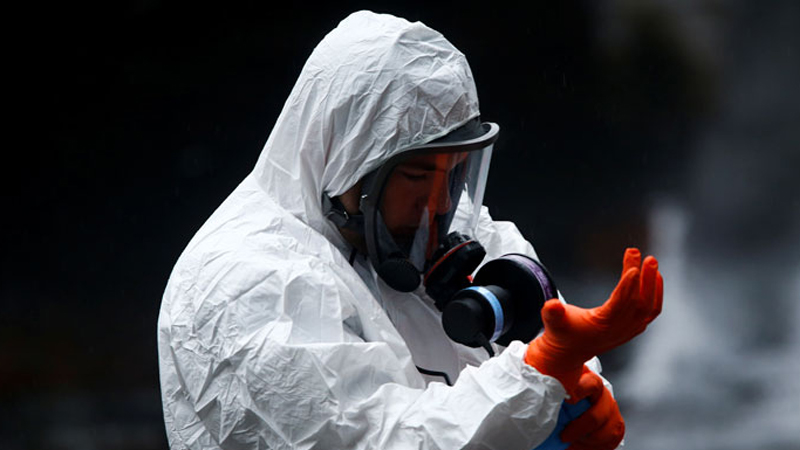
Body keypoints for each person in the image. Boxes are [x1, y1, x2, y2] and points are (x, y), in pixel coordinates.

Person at [157, 10, 663, 450]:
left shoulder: (454, 237)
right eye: (419, 176)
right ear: (345, 160)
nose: (440, 204)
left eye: (456, 173)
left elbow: (548, 354)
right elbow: (372, 437)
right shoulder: (243, 282)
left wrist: (578, 395)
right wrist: (541, 375)